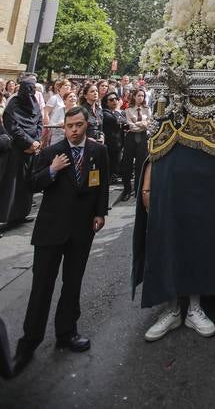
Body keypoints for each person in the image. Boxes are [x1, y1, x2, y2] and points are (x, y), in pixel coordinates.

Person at [12, 106, 109, 375]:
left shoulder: (97, 151)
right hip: (51, 231)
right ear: (64, 128)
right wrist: (52, 171)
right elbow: (31, 184)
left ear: (86, 125)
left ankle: (67, 332)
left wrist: (101, 212)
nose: (74, 130)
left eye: (79, 125)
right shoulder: (51, 153)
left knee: (72, 283)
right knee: (42, 287)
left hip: (82, 230)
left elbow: (102, 184)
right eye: (70, 126)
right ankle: (29, 343)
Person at [140, 164, 215, 340]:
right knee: (168, 244)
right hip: (167, 179)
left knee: (195, 242)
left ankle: (194, 308)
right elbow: (154, 149)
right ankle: (172, 310)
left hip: (198, 178)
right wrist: (147, 188)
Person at [0, 79, 42, 227]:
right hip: (16, 151)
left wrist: (36, 142)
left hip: (31, 152)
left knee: (26, 185)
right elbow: (12, 127)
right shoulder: (13, 104)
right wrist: (29, 142)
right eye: (27, 89)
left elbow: (39, 123)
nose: (30, 93)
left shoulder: (35, 104)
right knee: (12, 185)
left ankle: (21, 214)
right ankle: (7, 217)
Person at [121, 88, 150, 200]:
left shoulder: (147, 109)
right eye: (138, 95)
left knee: (140, 164)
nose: (140, 98)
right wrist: (142, 123)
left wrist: (137, 124)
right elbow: (130, 126)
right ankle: (127, 190)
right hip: (131, 138)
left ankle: (138, 189)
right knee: (127, 164)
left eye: (142, 96)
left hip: (142, 138)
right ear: (134, 96)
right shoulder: (128, 110)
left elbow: (149, 124)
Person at [101, 90, 125, 183]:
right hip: (109, 145)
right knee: (109, 166)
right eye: (111, 100)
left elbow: (124, 120)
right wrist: (118, 108)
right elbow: (116, 121)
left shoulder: (118, 112)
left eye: (116, 99)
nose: (114, 101)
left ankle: (113, 178)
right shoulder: (105, 113)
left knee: (116, 164)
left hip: (118, 144)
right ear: (106, 103)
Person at [44, 79, 71, 147]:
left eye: (69, 85)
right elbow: (46, 113)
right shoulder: (54, 98)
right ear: (59, 88)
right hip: (54, 129)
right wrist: (48, 129)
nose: (68, 87)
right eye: (65, 85)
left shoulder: (71, 98)